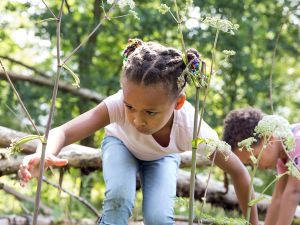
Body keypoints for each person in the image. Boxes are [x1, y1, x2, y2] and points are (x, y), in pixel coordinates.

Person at [18, 39, 258, 225]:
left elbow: (240, 173)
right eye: (130, 107)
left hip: (163, 158)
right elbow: (64, 131)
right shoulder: (117, 104)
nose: (136, 119)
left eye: (150, 113)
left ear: (178, 103)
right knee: (119, 197)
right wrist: (43, 152)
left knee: (158, 218)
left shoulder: (192, 129)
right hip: (120, 145)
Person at [223, 107, 300, 225]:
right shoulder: (282, 156)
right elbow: (278, 198)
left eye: (254, 157)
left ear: (269, 138)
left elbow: (293, 192)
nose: (255, 165)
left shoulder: (296, 142)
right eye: (249, 163)